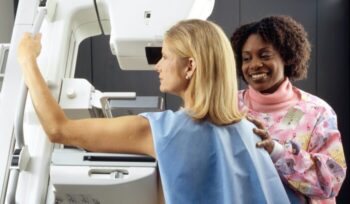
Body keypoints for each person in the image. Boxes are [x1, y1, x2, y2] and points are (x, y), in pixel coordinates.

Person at [18, 19, 292, 203]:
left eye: (165, 56)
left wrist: (27, 60)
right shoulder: (250, 130)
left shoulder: (162, 130)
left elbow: (58, 129)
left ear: (190, 66)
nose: (157, 66)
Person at [231, 15, 347, 204]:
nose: (254, 65)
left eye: (264, 55)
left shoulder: (316, 111)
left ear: (286, 56)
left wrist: (277, 152)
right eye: (246, 58)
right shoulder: (228, 105)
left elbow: (331, 182)